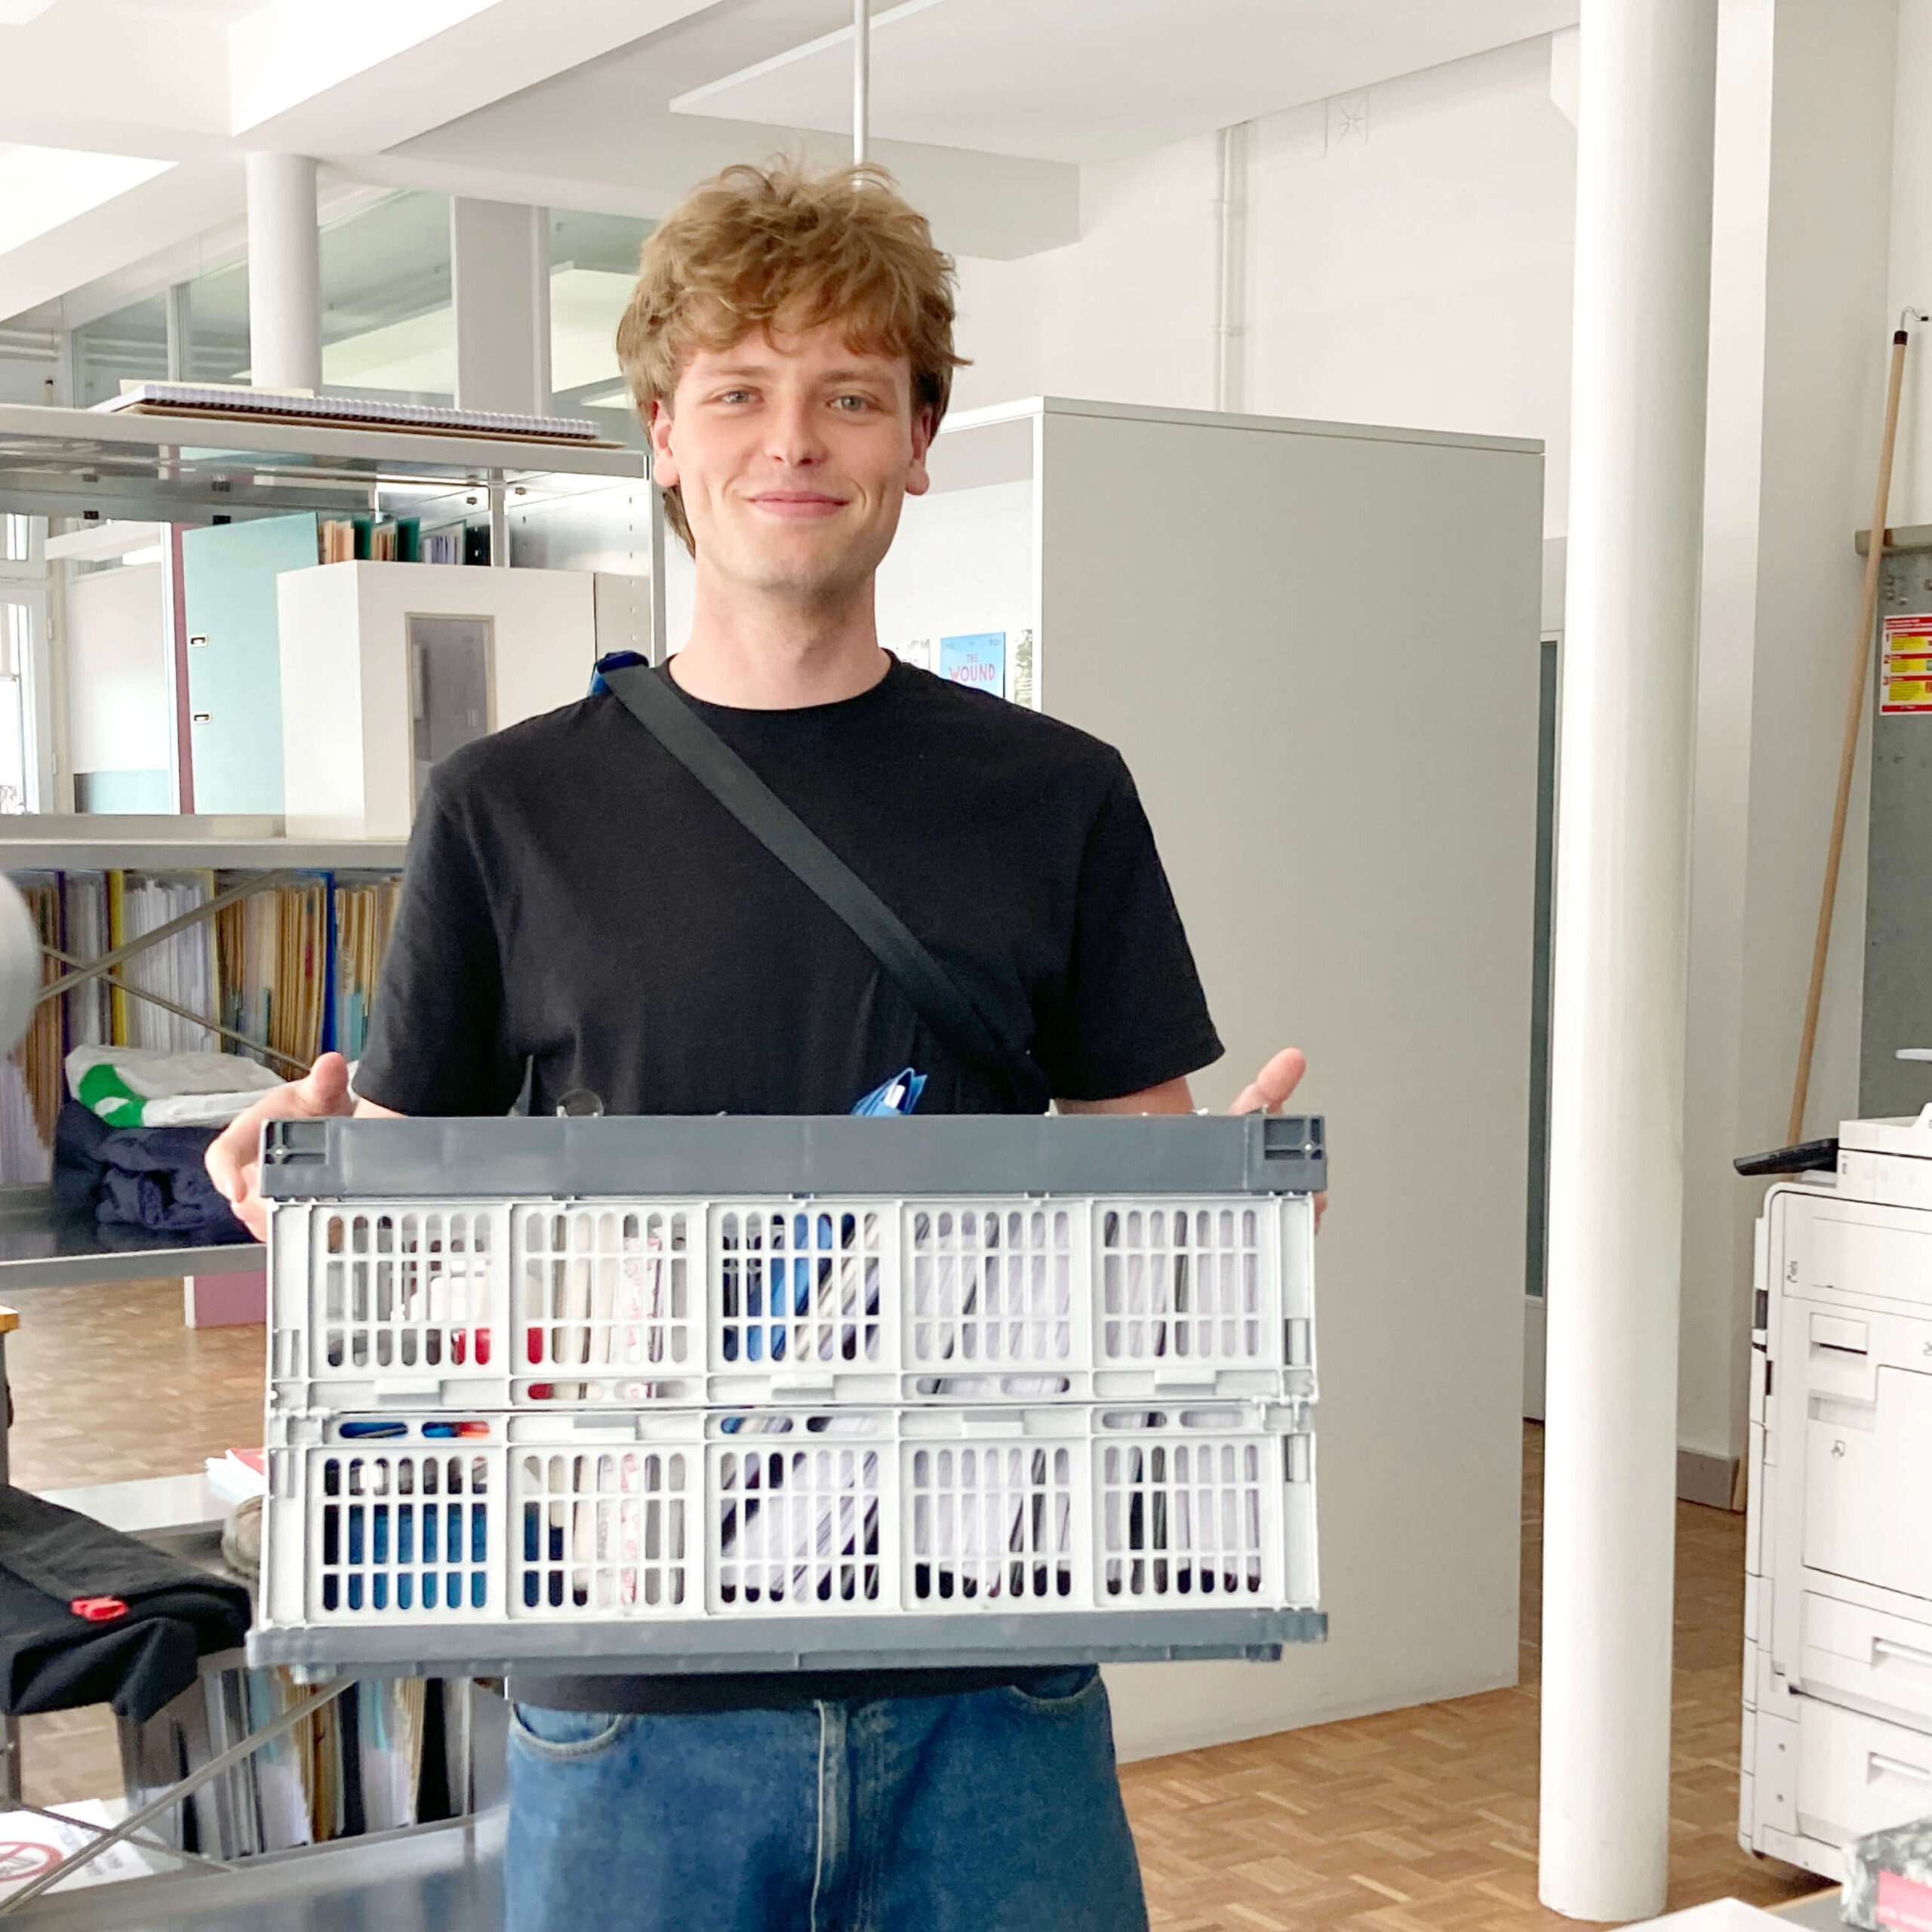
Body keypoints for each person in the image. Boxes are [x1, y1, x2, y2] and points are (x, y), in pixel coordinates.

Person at [209, 158, 1315, 1932]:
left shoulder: (1057, 794)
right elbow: (402, 1230)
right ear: (663, 434)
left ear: (918, 442)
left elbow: (1142, 1188)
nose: (790, 439)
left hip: (989, 1679)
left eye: (849, 395)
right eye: (737, 390)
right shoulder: (504, 806)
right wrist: (300, 1190)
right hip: (629, 1687)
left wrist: (1228, 1224)